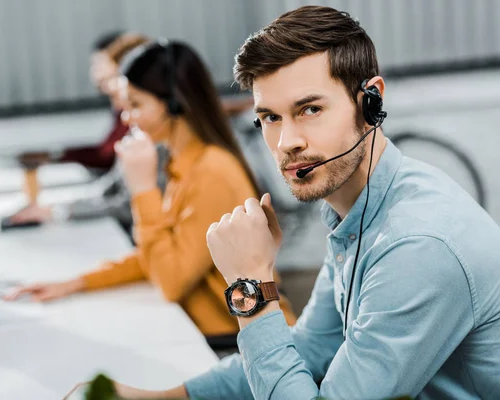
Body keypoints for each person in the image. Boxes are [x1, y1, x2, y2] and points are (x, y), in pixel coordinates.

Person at [106, 6, 500, 399]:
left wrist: (251, 286)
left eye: (309, 109)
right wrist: (161, 397)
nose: (285, 142)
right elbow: (311, 349)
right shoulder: (355, 213)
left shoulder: (417, 245)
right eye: (270, 118)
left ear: (371, 101)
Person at [5, 40, 296, 340]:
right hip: (207, 333)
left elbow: (171, 281)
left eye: (136, 105)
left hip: (236, 342)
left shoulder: (212, 172)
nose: (126, 118)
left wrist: (143, 190)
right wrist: (76, 283)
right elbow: (158, 254)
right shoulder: (182, 163)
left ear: (173, 104)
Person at [1, 31, 148, 230]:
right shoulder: (136, 126)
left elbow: (123, 199)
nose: (96, 75)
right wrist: (58, 207)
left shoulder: (151, 138)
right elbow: (112, 185)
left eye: (105, 70)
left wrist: (56, 210)